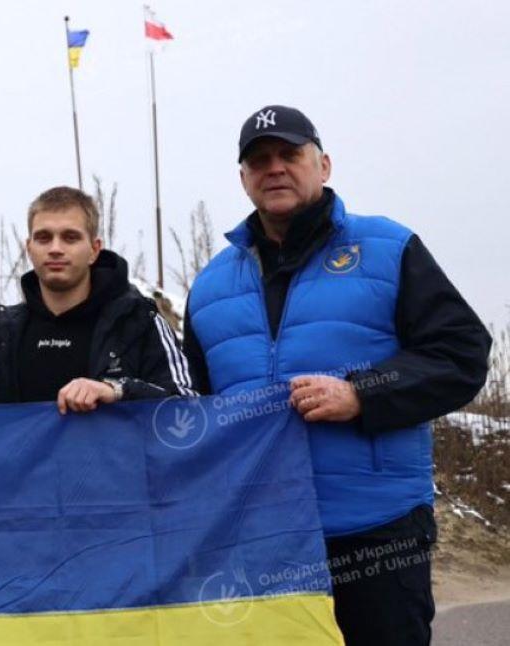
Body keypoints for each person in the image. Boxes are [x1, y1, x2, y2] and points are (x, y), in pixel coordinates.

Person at [182, 105, 491, 645]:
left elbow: (462, 354)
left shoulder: (388, 248)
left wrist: (363, 394)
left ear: (323, 165)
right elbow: (197, 411)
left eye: (289, 154)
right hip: (265, 542)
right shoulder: (208, 289)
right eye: (259, 160)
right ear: (243, 180)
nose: (274, 168)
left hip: (377, 534)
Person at [0, 185, 195, 413]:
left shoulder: (139, 321)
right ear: (29, 247)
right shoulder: (1, 332)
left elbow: (188, 407)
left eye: (70, 237)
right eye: (44, 238)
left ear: (94, 249)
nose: (55, 248)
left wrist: (116, 390)